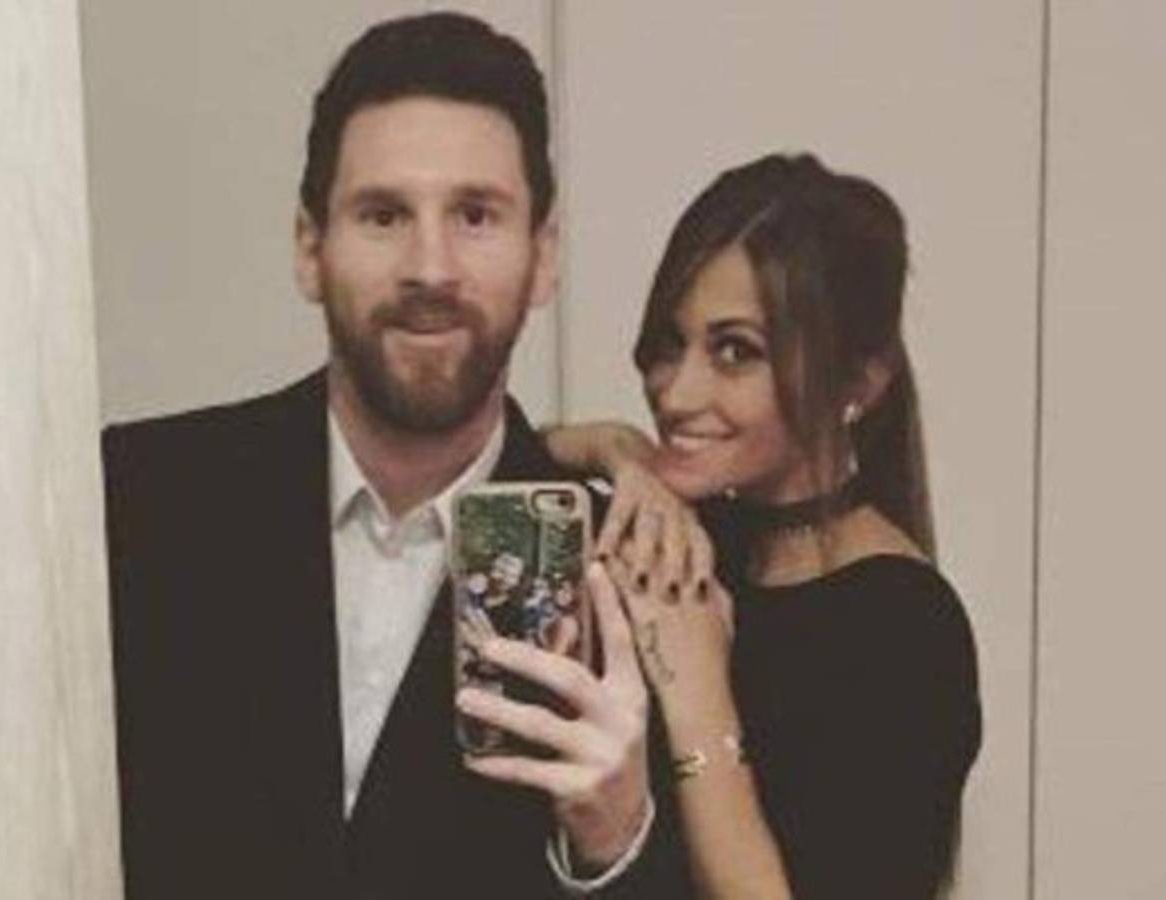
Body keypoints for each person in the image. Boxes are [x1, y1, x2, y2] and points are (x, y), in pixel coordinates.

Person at [102, 13, 677, 899]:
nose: (430, 268)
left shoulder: (632, 573)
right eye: (383, 215)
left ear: (543, 255)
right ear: (310, 248)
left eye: (475, 215)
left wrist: (612, 843)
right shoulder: (138, 503)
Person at [507, 153, 983, 898]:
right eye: (671, 343)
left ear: (858, 383)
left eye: (735, 352)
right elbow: (492, 467)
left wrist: (699, 697)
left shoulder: (903, 630)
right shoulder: (696, 537)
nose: (676, 393)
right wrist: (613, 449)